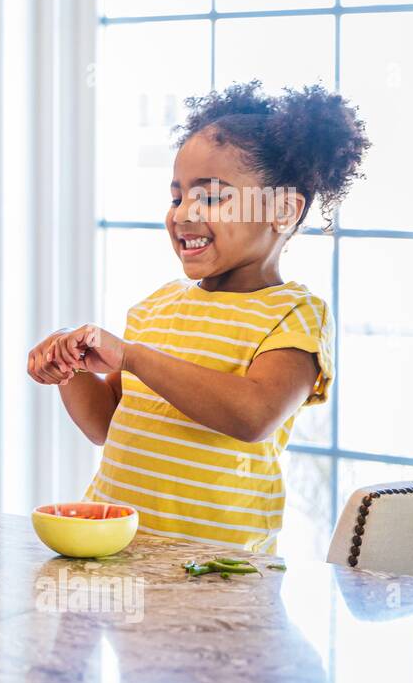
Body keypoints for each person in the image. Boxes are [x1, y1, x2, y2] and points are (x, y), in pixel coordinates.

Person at [27, 82, 369, 551]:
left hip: (221, 571)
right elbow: (106, 425)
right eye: (176, 197)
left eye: (211, 197)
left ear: (283, 210)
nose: (183, 214)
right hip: (124, 556)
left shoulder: (293, 315)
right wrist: (69, 363)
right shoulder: (155, 309)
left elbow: (254, 415)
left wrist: (132, 357)